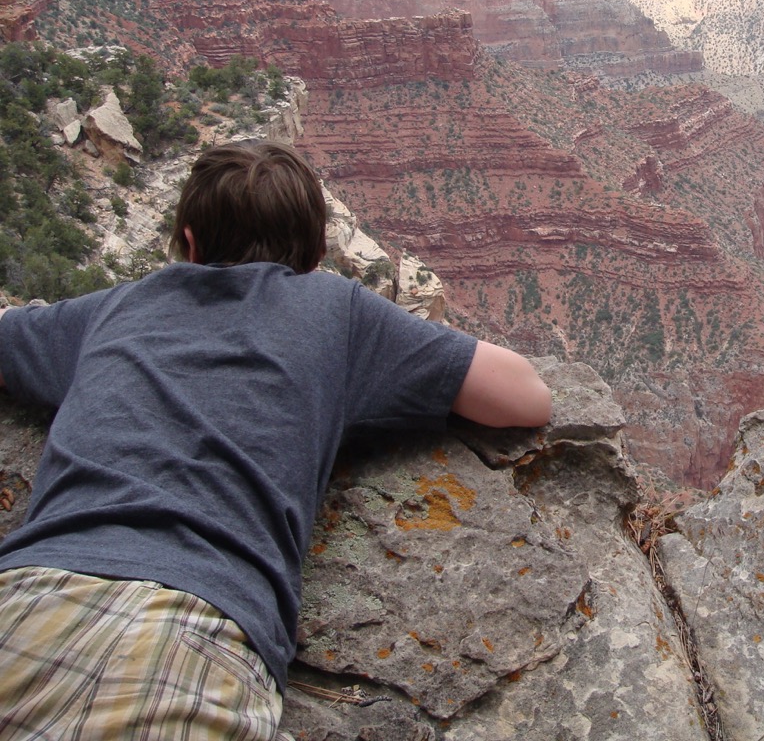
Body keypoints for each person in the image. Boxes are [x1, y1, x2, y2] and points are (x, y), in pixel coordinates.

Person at [0, 141, 551, 740]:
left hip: (30, 594)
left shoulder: (118, 305)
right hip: (189, 629)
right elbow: (526, 397)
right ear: (318, 254)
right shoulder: (334, 309)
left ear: (188, 242)